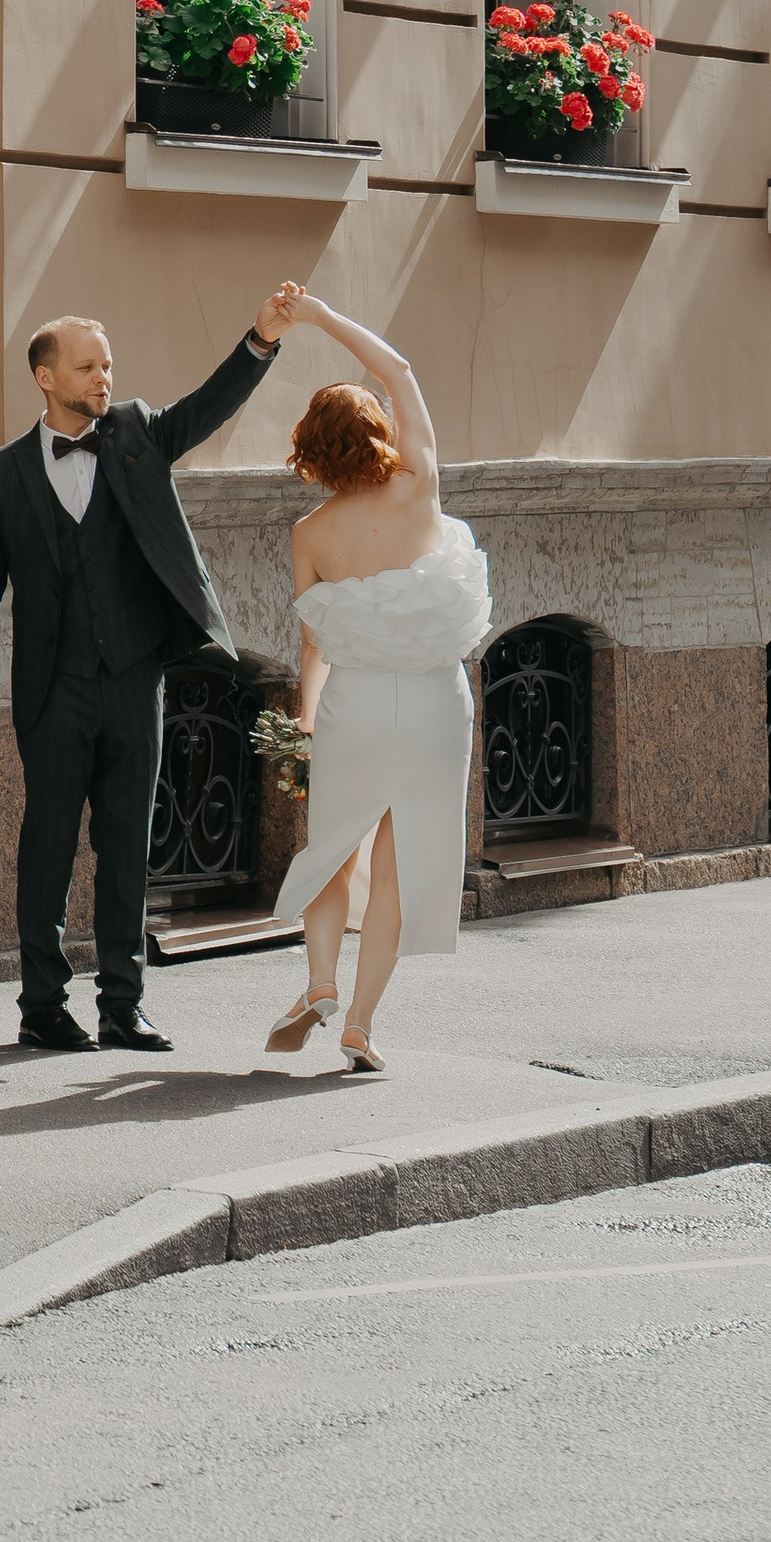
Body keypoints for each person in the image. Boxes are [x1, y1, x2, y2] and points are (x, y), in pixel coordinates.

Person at [0, 285, 304, 1056]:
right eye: (87, 367)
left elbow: (207, 408)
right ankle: (42, 1006)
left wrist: (260, 341)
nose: (103, 377)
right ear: (46, 377)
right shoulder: (2, 473)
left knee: (125, 848)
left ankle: (123, 1005)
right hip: (51, 687)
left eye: (107, 365)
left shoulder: (139, 432)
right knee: (47, 847)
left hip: (134, 678)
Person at [264, 296, 494, 1074]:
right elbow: (397, 367)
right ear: (379, 433)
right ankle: (360, 1023)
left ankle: (321, 982)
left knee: (332, 849)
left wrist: (306, 719)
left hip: (354, 702)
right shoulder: (419, 484)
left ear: (312, 450)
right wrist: (320, 315)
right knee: (398, 865)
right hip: (432, 700)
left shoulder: (310, 533)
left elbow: (313, 639)